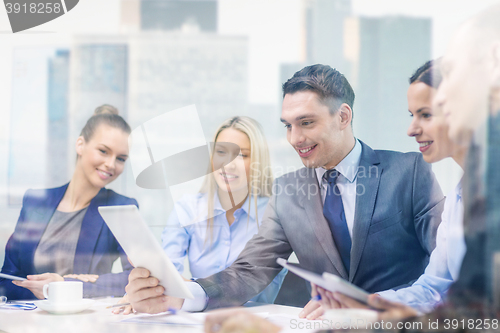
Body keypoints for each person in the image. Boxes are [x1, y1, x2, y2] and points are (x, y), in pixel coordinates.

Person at [124, 64, 444, 315]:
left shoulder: (409, 172)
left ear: (343, 116)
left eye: (306, 123)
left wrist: (373, 306)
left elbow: (446, 269)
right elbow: (250, 269)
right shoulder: (288, 190)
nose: (294, 139)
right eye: (287, 125)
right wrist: (181, 296)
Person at [313, 60, 468, 314]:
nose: (411, 130)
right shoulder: (457, 199)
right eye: (412, 115)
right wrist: (364, 303)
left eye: (426, 115)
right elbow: (434, 288)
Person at [115, 116, 287, 314]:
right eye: (221, 152)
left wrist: (187, 286)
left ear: (258, 162)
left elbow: (254, 282)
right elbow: (168, 277)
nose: (229, 164)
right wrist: (147, 291)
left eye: (242, 155)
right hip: (199, 321)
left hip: (256, 320)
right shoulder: (188, 209)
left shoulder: (275, 213)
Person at [0, 105, 138, 300]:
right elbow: (6, 281)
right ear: (80, 144)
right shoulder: (35, 202)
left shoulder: (121, 207)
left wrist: (66, 286)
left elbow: (137, 279)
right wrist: (44, 292)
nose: (111, 164)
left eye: (121, 159)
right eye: (103, 151)